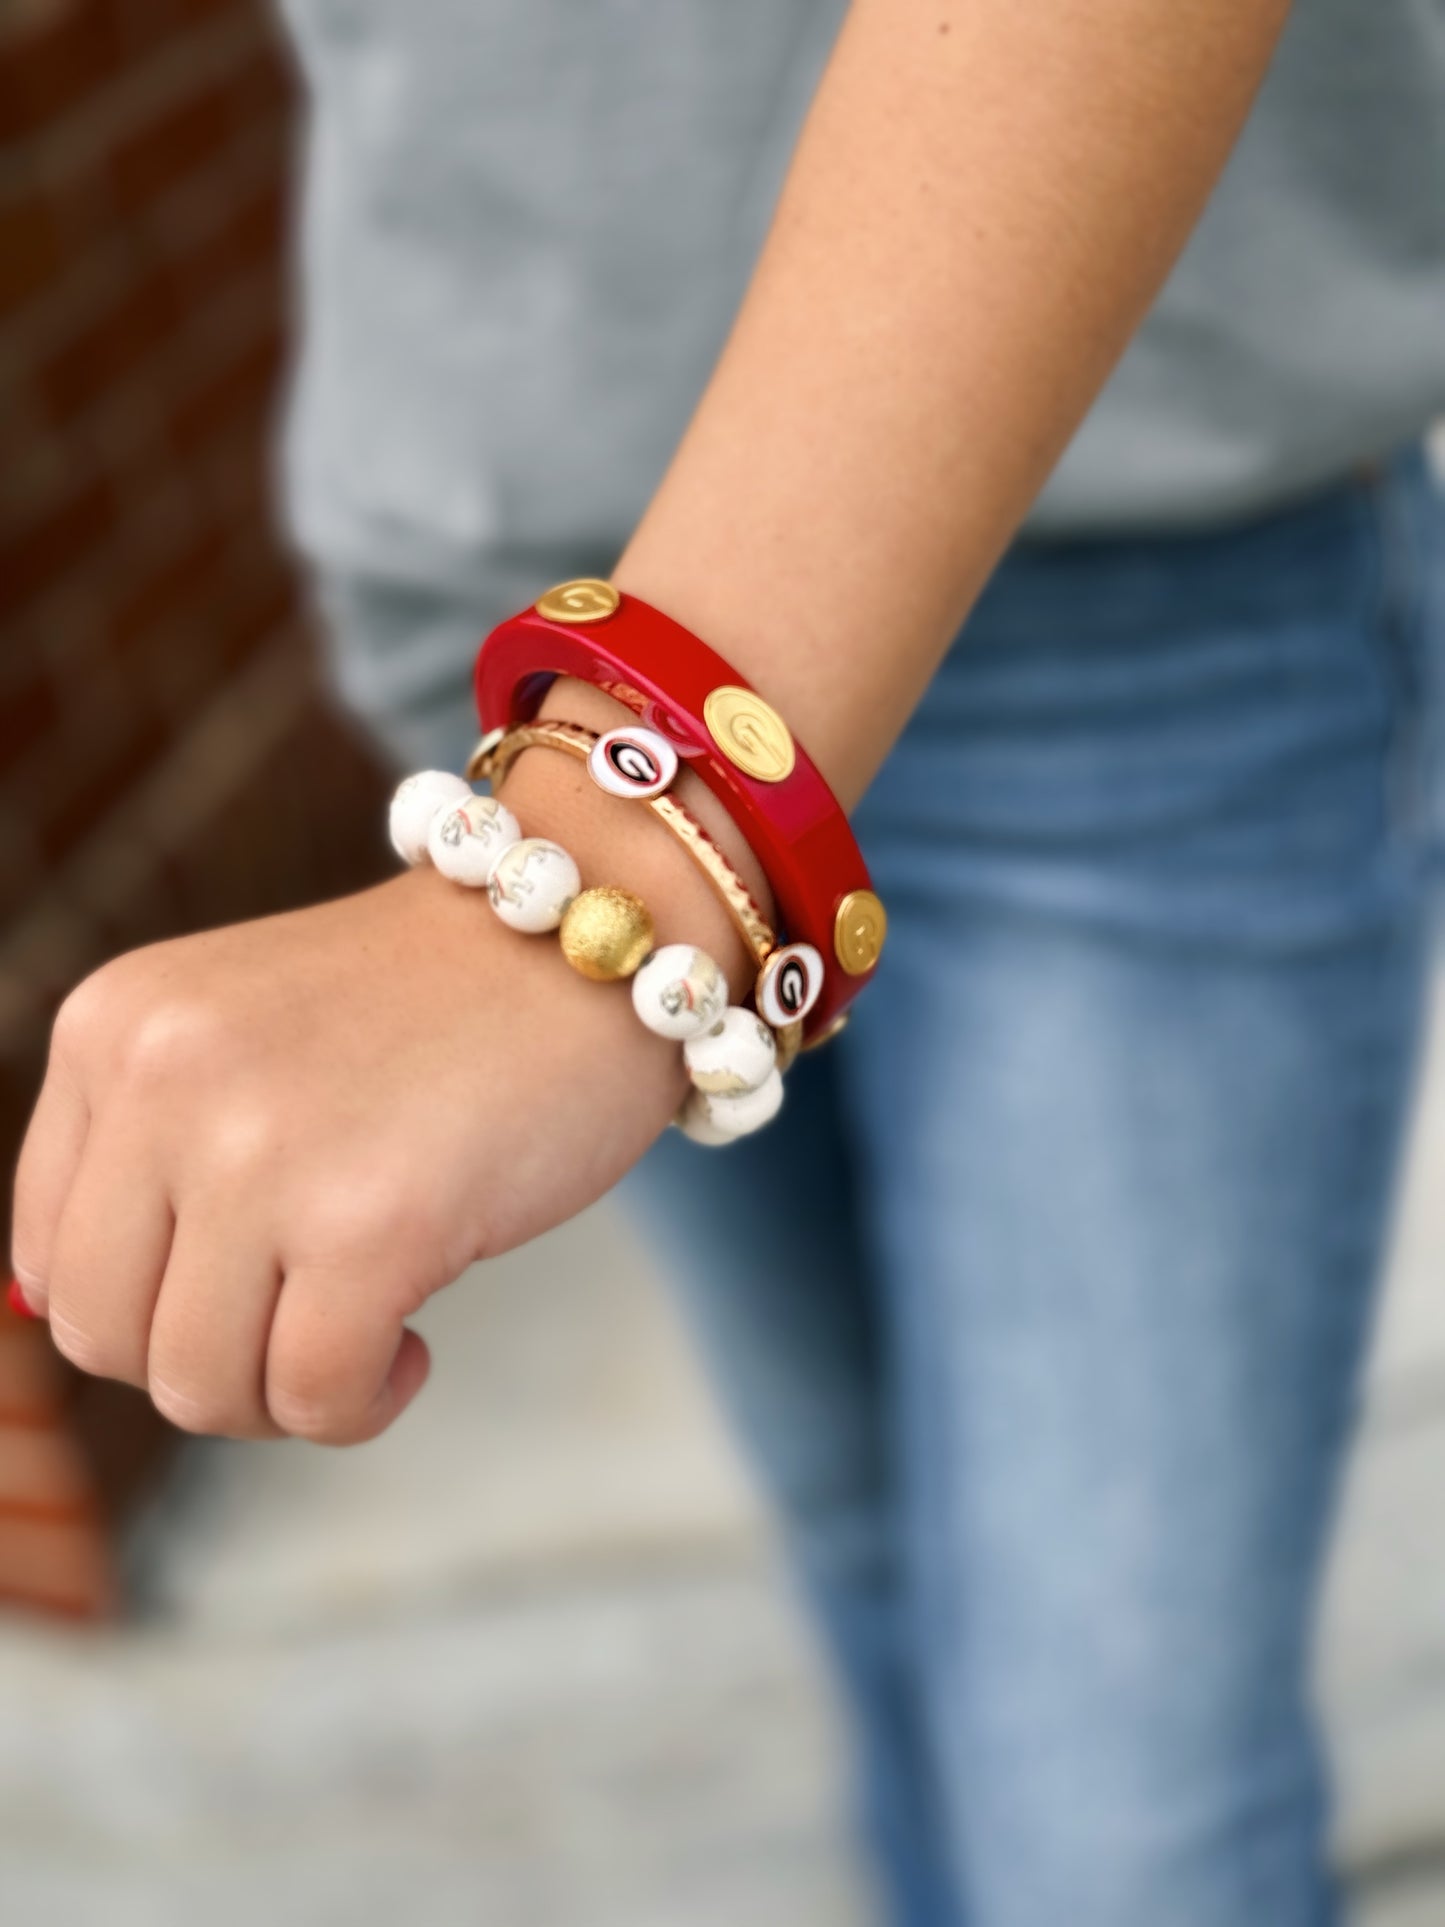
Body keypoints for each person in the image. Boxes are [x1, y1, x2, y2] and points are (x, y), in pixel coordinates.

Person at [12, 1, 1445, 1920]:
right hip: (492, 540)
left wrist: (594, 856)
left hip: (1132, 543)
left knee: (1118, 1830)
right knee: (877, 1562)